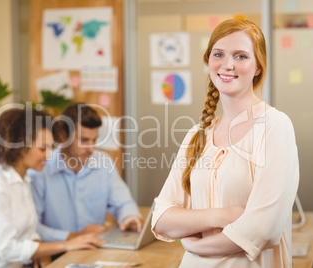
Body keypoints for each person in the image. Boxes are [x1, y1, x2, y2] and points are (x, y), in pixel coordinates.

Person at [151, 19, 299, 267]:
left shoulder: (275, 126)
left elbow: (264, 229)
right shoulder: (197, 134)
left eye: (241, 56)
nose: (228, 65)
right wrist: (226, 215)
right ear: (209, 60)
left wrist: (194, 244)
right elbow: (162, 217)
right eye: (218, 54)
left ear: (258, 67)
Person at [0, 108, 103, 268]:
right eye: (43, 149)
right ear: (19, 147)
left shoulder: (24, 180)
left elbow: (30, 233)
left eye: (50, 148)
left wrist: (41, 254)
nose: (49, 155)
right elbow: (8, 249)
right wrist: (67, 244)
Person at [29, 103, 142, 244]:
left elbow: (123, 202)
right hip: (55, 251)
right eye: (84, 140)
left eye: (94, 140)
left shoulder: (103, 162)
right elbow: (33, 227)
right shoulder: (41, 168)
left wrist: (129, 217)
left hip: (94, 248)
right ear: (64, 136)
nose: (91, 148)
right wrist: (72, 236)